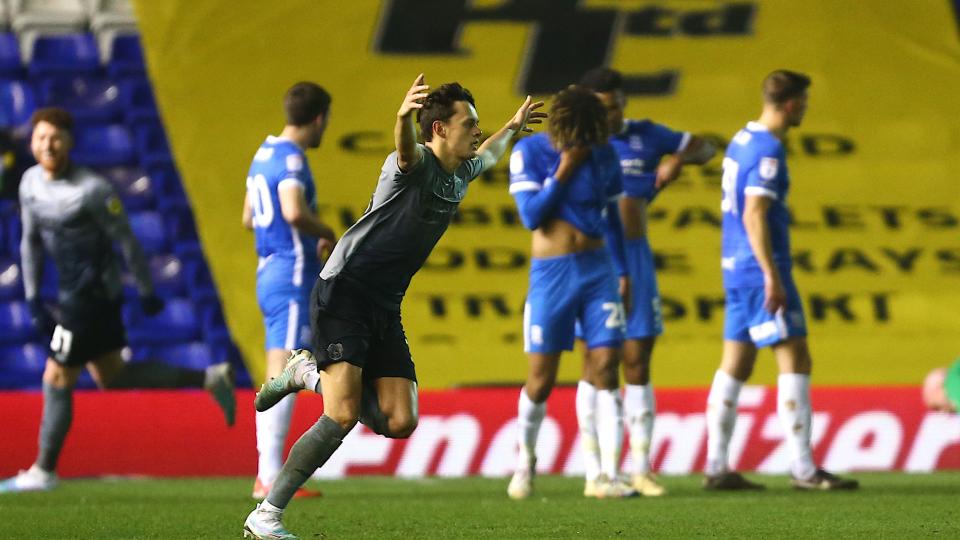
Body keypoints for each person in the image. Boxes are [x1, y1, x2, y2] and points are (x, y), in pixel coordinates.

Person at [241, 75, 545, 539]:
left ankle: (307, 374)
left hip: (385, 303)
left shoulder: (461, 171)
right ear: (439, 129)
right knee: (340, 415)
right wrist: (403, 116)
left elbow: (491, 153)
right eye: (469, 124)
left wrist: (514, 126)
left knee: (400, 421)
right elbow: (405, 149)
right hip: (345, 291)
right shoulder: (413, 163)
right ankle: (266, 515)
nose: (477, 132)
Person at [0, 108, 236, 494]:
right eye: (41, 137)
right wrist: (30, 295)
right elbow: (30, 242)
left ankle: (43, 471)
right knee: (113, 376)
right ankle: (209, 378)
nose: (48, 144)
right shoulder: (29, 184)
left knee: (56, 376)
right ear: (32, 142)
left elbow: (126, 239)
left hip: (92, 297)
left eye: (56, 137)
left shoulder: (92, 189)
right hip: (70, 295)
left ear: (70, 142)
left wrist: (145, 289)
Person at [704, 70, 858, 490]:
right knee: (796, 357)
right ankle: (804, 468)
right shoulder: (769, 149)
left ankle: (717, 465)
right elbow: (755, 213)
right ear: (790, 103)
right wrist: (772, 275)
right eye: (803, 102)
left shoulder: (742, 138)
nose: (805, 109)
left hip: (734, 266)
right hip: (760, 270)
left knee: (735, 363)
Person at [579, 67, 716, 496]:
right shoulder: (579, 146)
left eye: (617, 103)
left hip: (635, 256)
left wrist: (678, 158)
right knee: (597, 364)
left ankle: (641, 467)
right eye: (603, 107)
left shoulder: (646, 134)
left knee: (637, 361)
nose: (613, 113)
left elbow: (707, 147)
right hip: (592, 258)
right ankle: (596, 471)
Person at [506, 85, 635, 500]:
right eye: (577, 133)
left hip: (598, 269)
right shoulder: (530, 154)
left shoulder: (605, 154)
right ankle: (525, 460)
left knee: (605, 365)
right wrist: (564, 168)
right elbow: (531, 216)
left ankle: (604, 474)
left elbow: (613, 217)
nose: (582, 141)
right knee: (541, 380)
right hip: (551, 273)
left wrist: (624, 272)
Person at [241, 82, 337, 500]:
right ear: (318, 118)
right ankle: (269, 477)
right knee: (284, 371)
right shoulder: (292, 158)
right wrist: (326, 231)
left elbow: (248, 218)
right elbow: (294, 210)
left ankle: (267, 473)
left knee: (278, 367)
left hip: (268, 270)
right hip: (293, 270)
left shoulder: (263, 153)